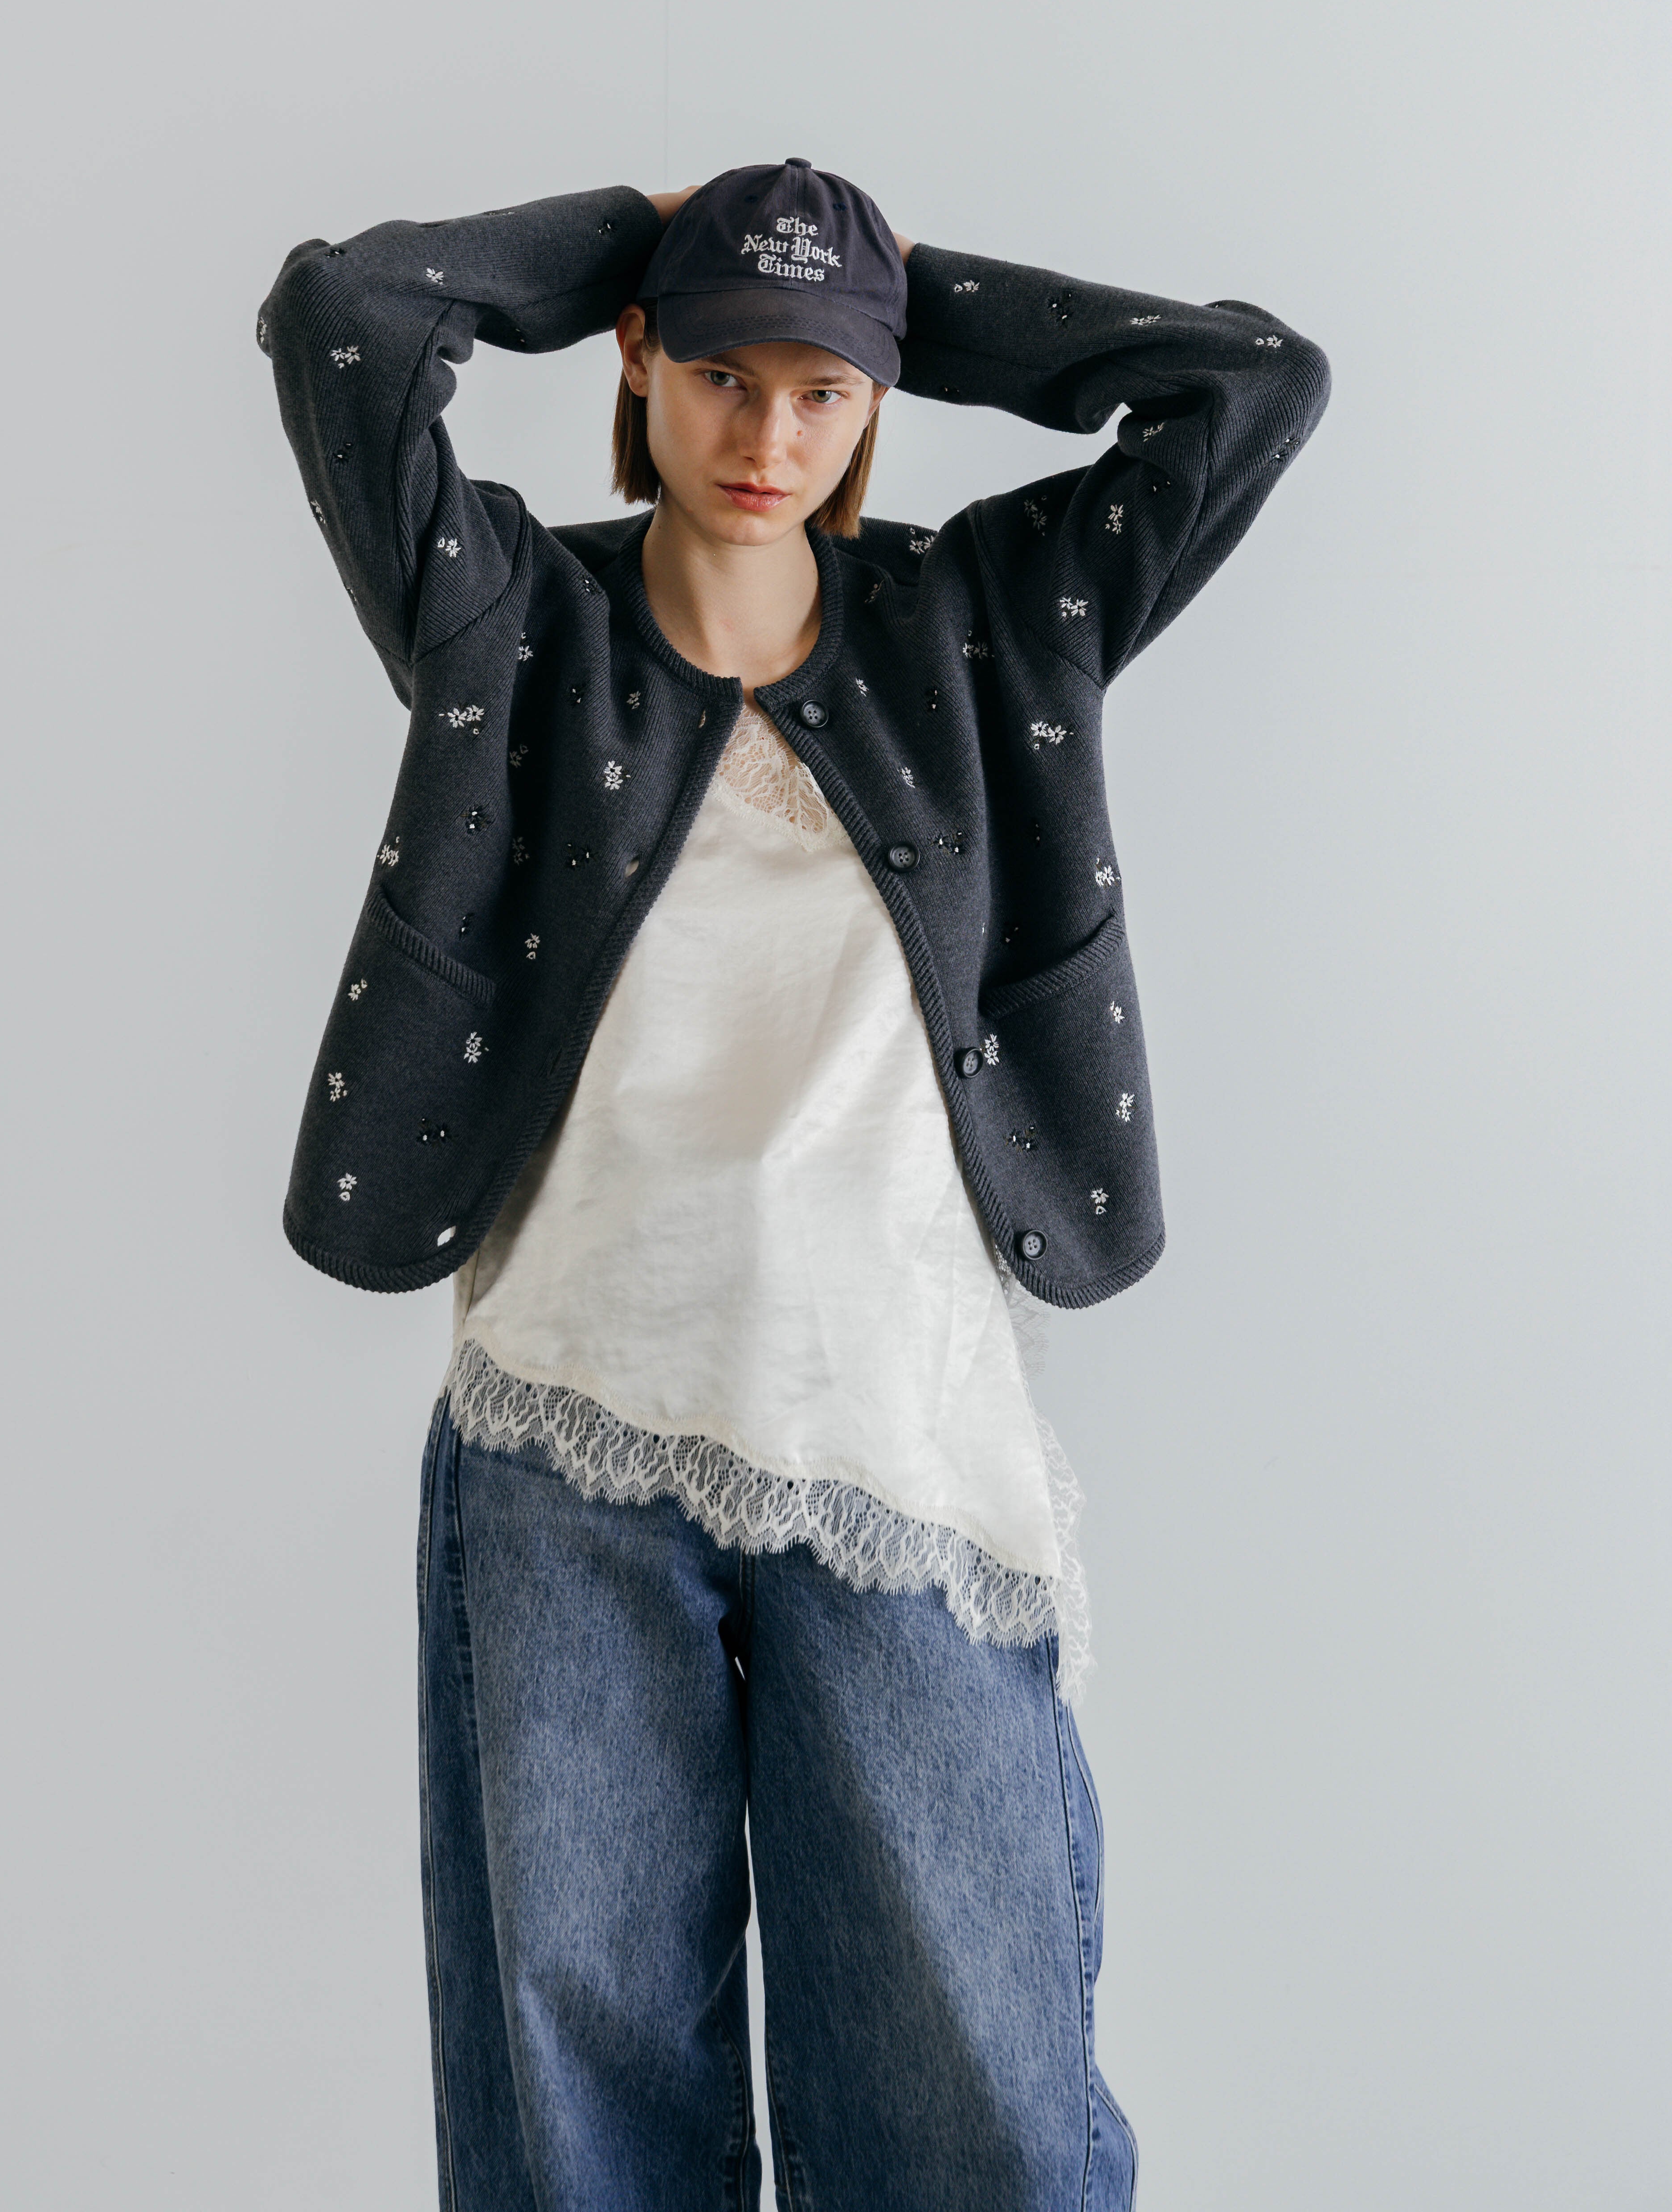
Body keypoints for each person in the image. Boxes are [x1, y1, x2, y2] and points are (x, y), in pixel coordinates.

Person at [257, 159, 1329, 2210]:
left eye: (823, 391)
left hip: (891, 1440)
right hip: (566, 1422)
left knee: (972, 2101)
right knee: (579, 2118)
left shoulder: (983, 623)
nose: (769, 437)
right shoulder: (514, 622)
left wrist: (896, 293)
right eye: (721, 375)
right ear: (639, 363)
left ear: (876, 404)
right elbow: (342, 319)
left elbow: (1252, 388)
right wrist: (632, 240)